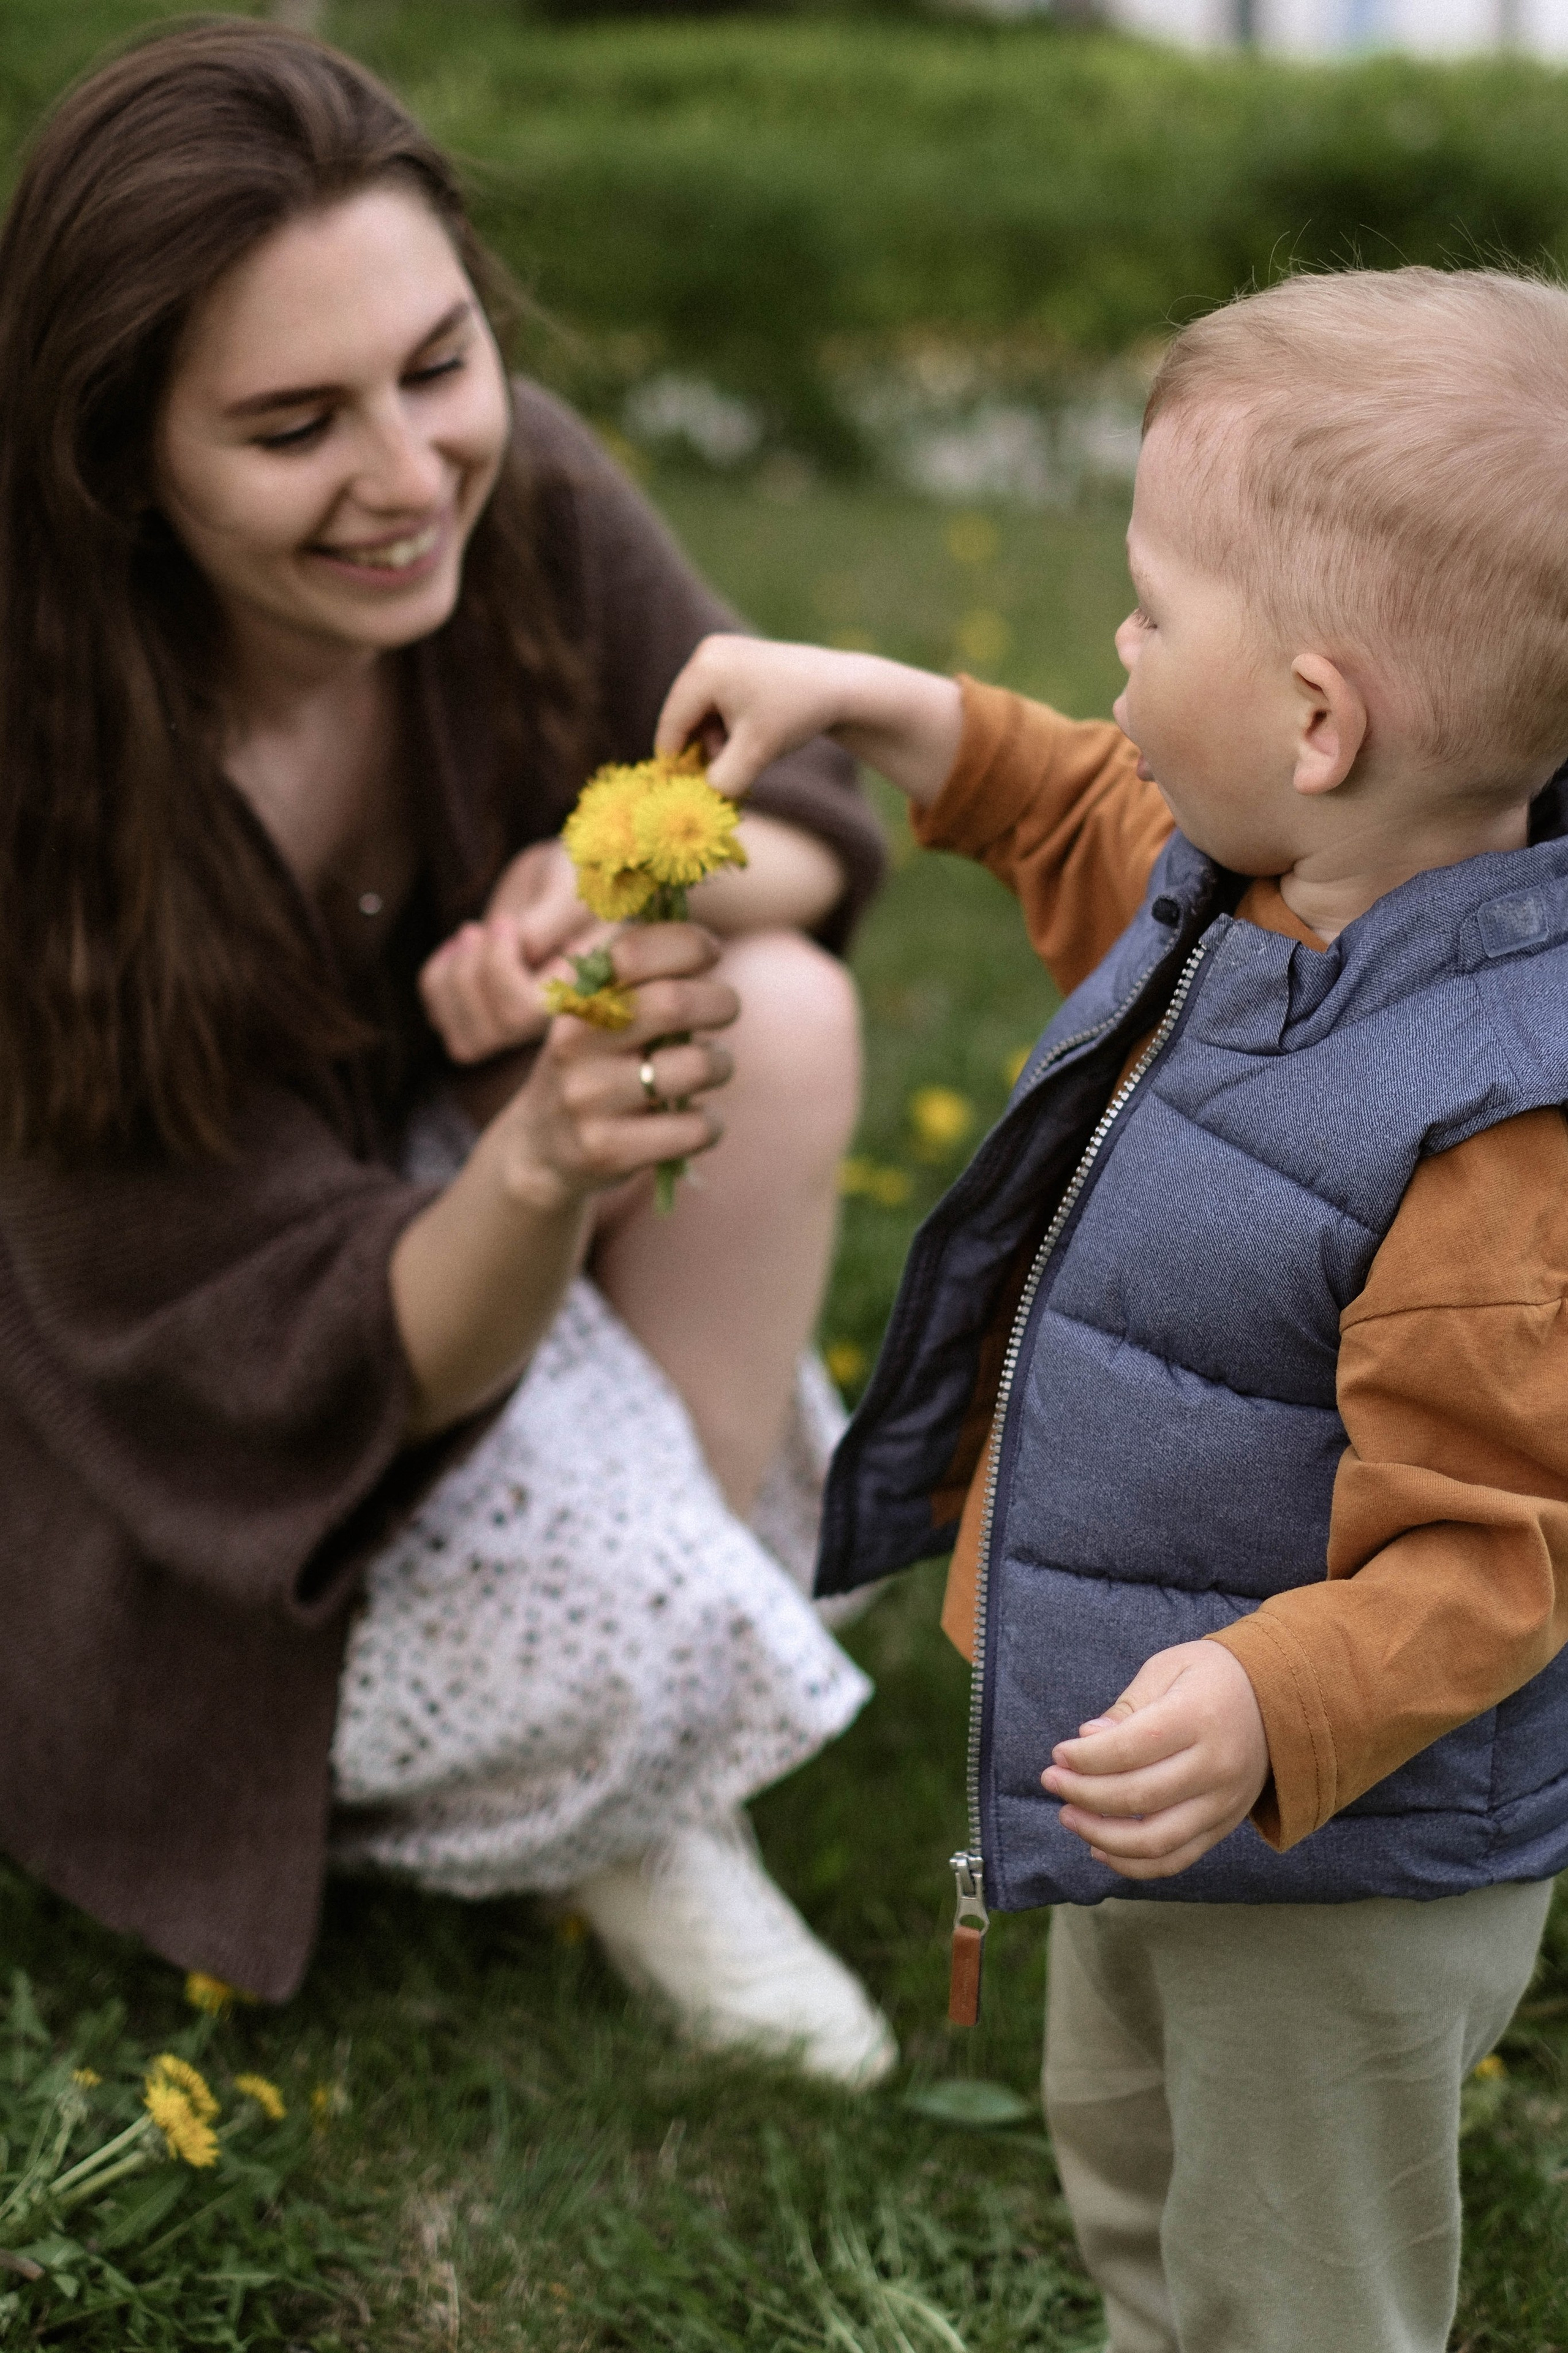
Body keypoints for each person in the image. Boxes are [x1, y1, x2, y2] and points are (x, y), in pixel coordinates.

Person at [657, 265, 1568, 2347]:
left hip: (1343, 1859)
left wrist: (1268, 1700)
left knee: (1298, 2267)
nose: (1120, 650)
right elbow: (1089, 801)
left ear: (1321, 719)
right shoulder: (1263, 877)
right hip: (1157, 1780)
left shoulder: (1499, 1129)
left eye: (1155, 611)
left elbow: (1500, 1549)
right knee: (1138, 2168)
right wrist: (890, 709)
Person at [0, 19, 898, 2088]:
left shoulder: (529, 494)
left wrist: (614, 877)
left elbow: (806, 823)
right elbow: (285, 1367)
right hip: (195, 1416)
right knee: (518, 1600)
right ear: (122, 450)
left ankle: (662, 1744)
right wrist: (541, 1162)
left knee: (775, 999)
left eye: (435, 366)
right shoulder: (55, 783)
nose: (408, 477)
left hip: (433, 1191)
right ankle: (639, 1732)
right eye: (292, 424)